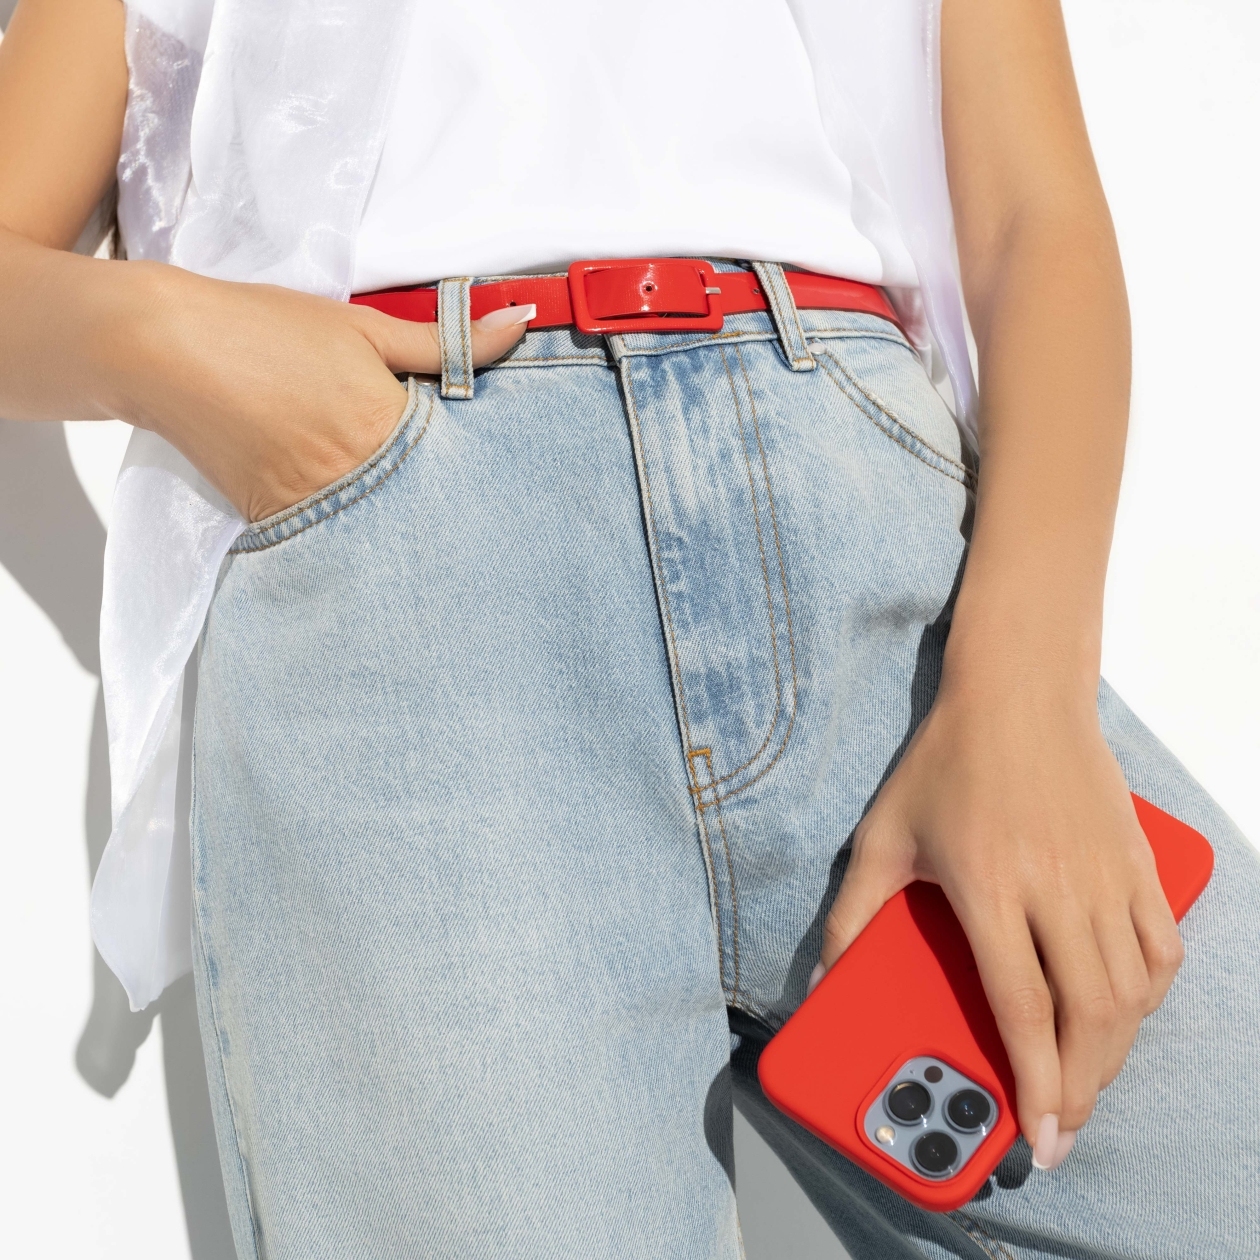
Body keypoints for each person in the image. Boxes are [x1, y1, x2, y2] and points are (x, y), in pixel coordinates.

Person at [1, 0, 1256, 1256]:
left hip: (884, 570)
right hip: (418, 621)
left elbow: (1037, 218)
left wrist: (1025, 692)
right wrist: (182, 345)